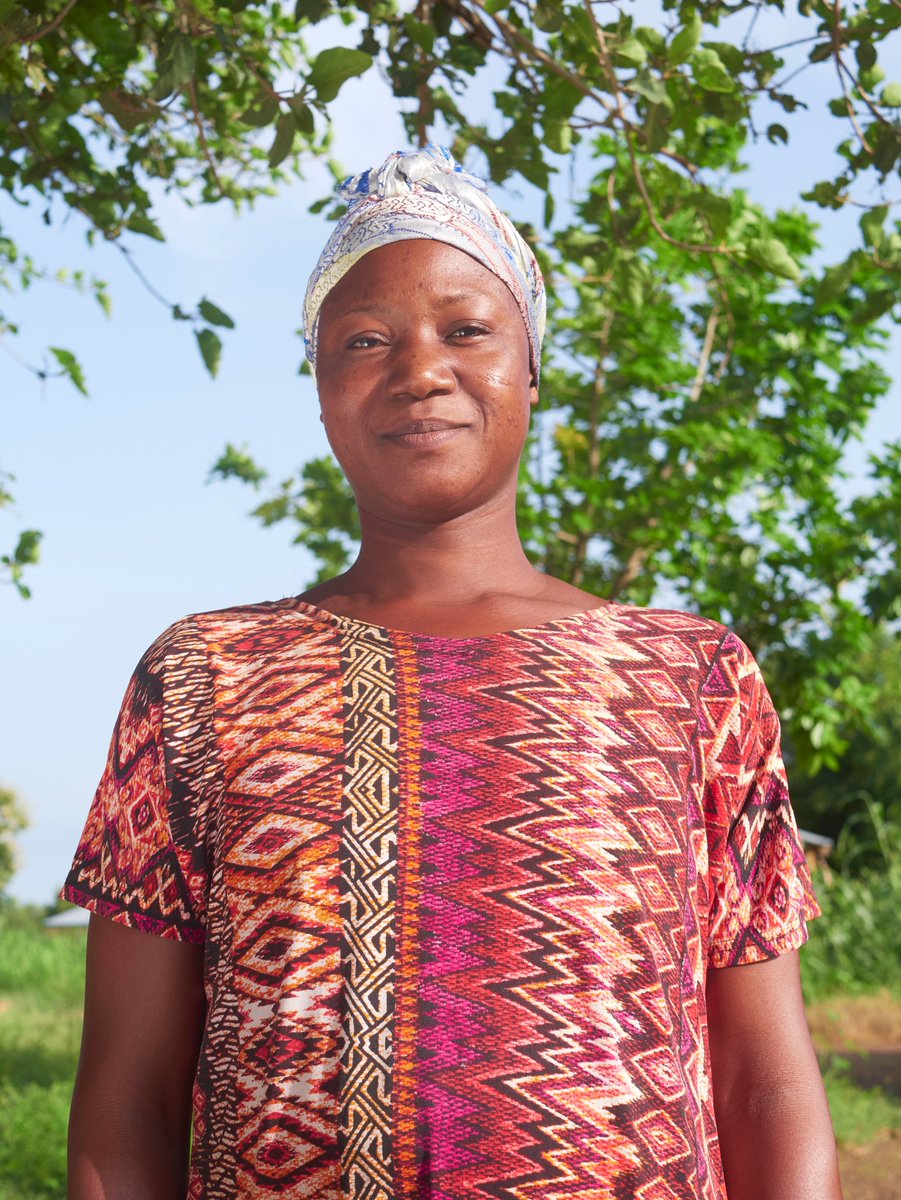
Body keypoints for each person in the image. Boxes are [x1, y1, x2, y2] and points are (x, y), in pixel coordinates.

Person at [64, 145, 842, 1200]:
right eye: (365, 340)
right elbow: (126, 1103)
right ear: (321, 387)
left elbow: (764, 1087)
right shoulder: (203, 678)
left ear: (532, 364)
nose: (419, 369)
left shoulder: (694, 679)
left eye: (466, 329)